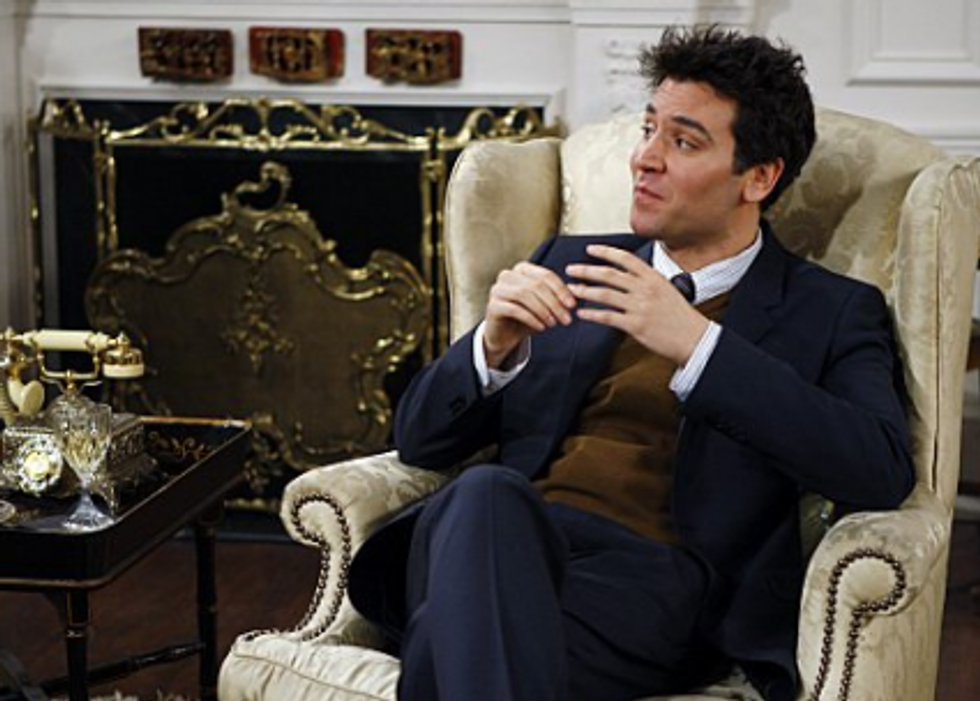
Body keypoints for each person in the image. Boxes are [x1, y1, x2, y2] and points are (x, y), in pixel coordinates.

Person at [348, 24, 915, 701]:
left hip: (651, 588)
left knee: (453, 632)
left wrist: (699, 347)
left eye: (683, 142)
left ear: (759, 177)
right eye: (648, 131)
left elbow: (879, 469)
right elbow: (419, 439)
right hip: (502, 539)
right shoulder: (568, 262)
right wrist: (490, 348)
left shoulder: (831, 309)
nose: (644, 158)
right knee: (484, 496)